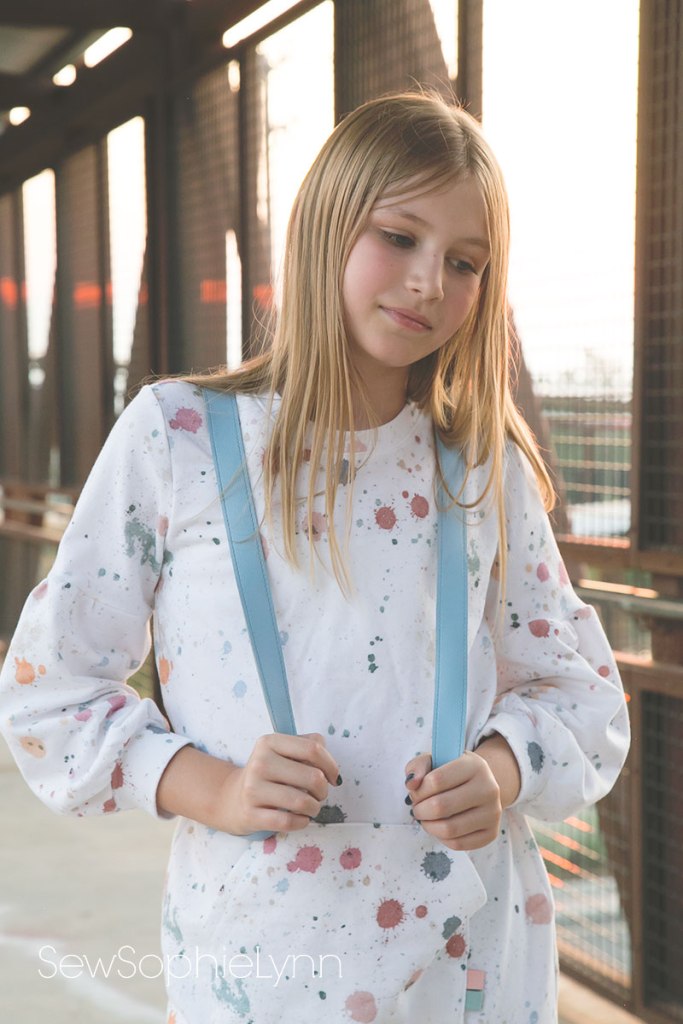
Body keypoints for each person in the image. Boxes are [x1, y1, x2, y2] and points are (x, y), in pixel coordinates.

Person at [0, 91, 629, 1024]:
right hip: (263, 957)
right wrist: (215, 788)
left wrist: (501, 770)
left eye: (464, 262)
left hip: (470, 956)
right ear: (323, 227)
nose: (428, 282)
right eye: (399, 237)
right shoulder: (179, 437)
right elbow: (48, 688)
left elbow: (580, 692)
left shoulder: (477, 466)